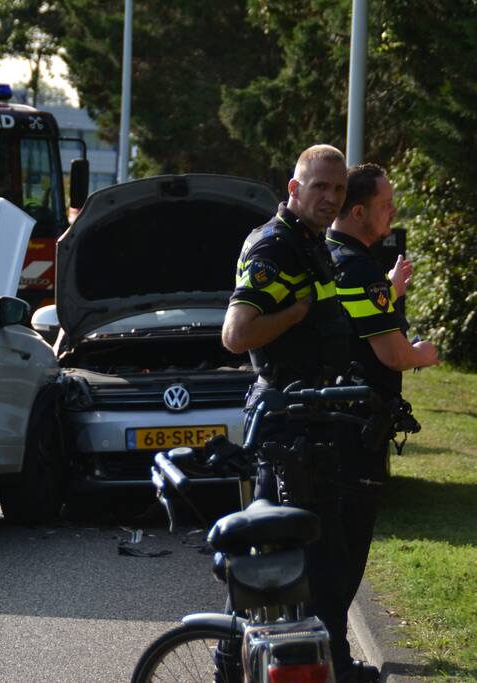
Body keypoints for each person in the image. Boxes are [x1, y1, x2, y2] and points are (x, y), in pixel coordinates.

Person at [220, 144, 377, 682]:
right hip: (287, 428)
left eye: (338, 189)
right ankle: (328, 666)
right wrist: (297, 311)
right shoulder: (276, 248)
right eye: (320, 188)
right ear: (294, 189)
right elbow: (236, 335)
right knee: (309, 562)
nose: (330, 198)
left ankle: (244, 664)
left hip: (309, 421)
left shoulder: (310, 243)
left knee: (279, 563)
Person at [326, 163, 440, 649]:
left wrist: (388, 290)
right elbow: (391, 353)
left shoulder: (329, 257)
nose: (394, 211)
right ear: (358, 210)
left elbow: (348, 318)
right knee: (344, 556)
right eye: (386, 204)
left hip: (331, 424)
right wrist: (423, 354)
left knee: (326, 551)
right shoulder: (356, 265)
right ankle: (334, 655)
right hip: (355, 431)